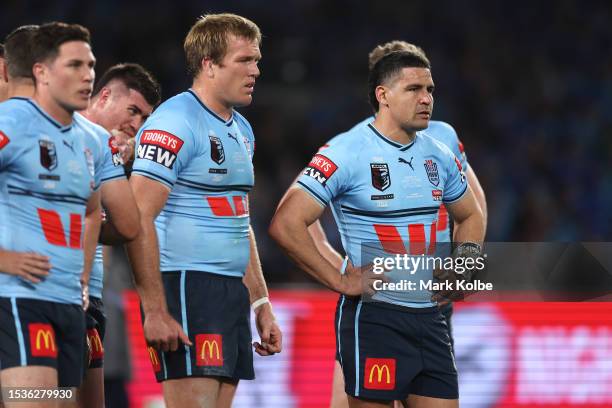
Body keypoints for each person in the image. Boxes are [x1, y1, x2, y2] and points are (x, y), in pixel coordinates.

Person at [270, 50, 485, 407]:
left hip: (431, 317)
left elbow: (472, 214)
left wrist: (463, 264)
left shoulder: (439, 153)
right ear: (382, 95)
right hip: (375, 319)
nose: (426, 98)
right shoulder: (345, 151)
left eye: (430, 89)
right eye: (414, 88)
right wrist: (340, 279)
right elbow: (286, 223)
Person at [126, 13, 282, 408]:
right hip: (185, 287)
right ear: (209, 65)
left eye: (257, 60)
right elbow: (137, 218)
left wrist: (260, 303)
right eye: (244, 60)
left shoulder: (242, 131)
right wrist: (155, 310)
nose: (256, 70)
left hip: (229, 293)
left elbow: (239, 221)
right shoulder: (176, 122)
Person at [0, 22, 103, 403]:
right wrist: (3, 259)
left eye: (90, 65)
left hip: (66, 302)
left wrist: (83, 275)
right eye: (74, 65)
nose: (88, 75)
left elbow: (92, 211)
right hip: (19, 299)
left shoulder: (84, 138)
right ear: (41, 72)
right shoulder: (11, 121)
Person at [77, 63, 160, 408]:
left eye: (144, 118)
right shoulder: (56, 131)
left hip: (89, 297)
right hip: (40, 288)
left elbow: (125, 227)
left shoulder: (107, 153)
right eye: (133, 111)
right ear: (105, 95)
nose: (136, 125)